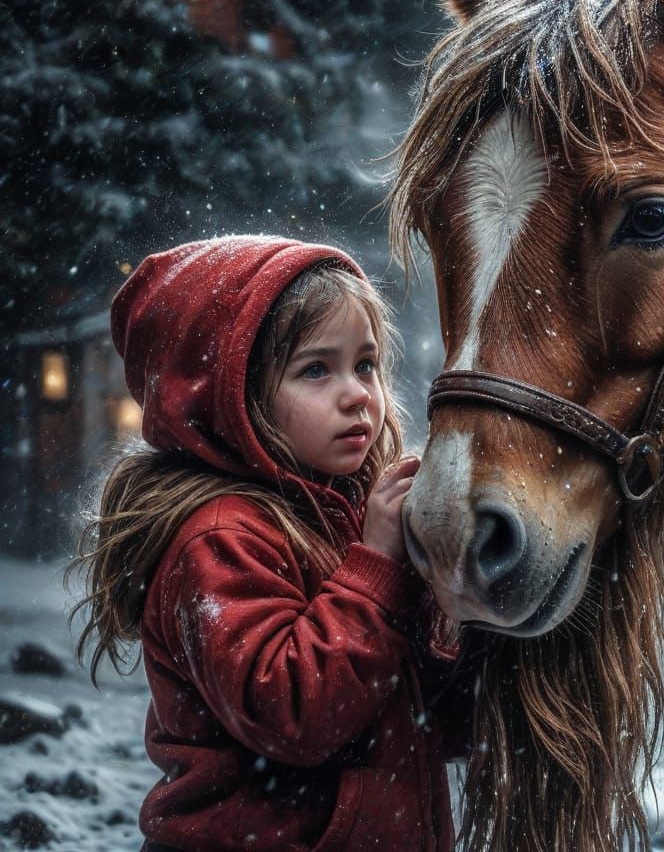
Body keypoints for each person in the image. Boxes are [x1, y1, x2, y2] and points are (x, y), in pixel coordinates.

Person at [68, 236, 470, 852]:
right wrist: (376, 571)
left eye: (365, 364)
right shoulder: (218, 539)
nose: (358, 394)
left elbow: (411, 711)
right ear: (232, 395)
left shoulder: (341, 518)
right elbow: (295, 715)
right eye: (316, 370)